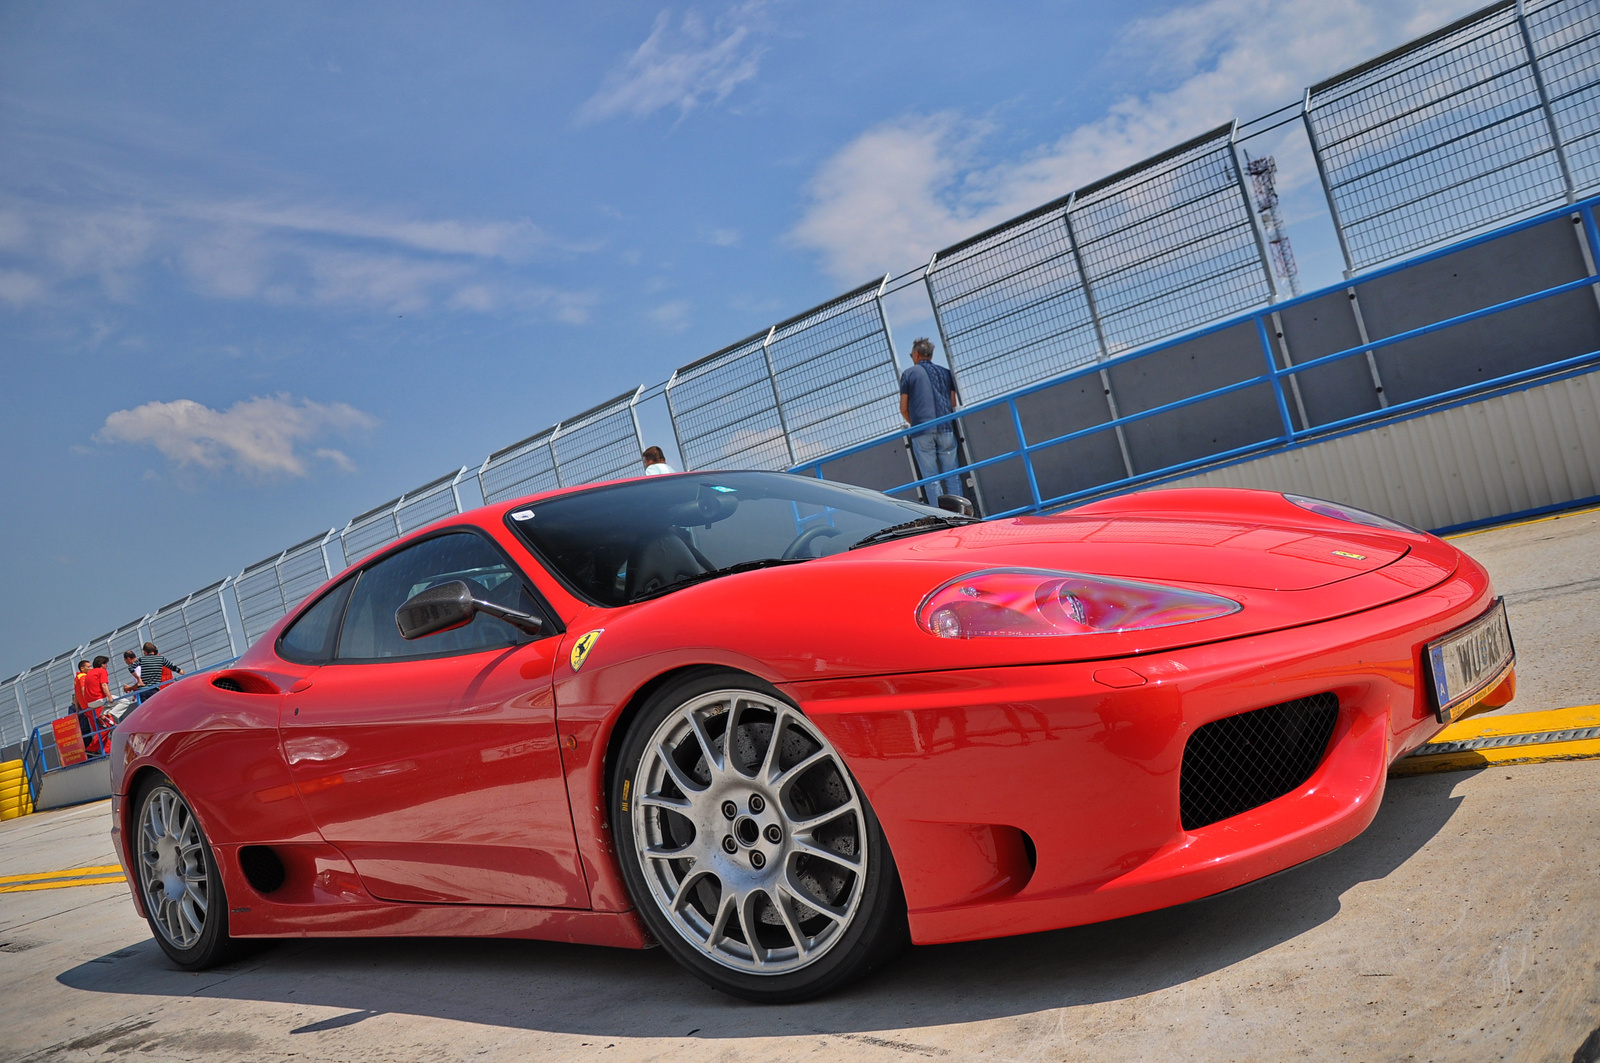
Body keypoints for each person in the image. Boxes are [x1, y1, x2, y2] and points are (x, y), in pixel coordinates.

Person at [898, 337, 963, 500]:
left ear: (917, 354)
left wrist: (916, 423)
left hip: (922, 430)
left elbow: (903, 408)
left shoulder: (908, 374)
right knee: (952, 475)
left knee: (931, 479)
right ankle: (961, 516)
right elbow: (953, 403)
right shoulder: (945, 373)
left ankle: (941, 520)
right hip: (946, 427)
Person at [83, 656, 113, 753]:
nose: (107, 666)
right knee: (123, 701)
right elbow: (104, 685)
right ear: (102, 664)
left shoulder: (87, 674)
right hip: (99, 701)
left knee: (102, 728)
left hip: (90, 704)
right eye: (106, 664)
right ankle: (91, 748)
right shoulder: (102, 671)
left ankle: (107, 750)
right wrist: (109, 697)